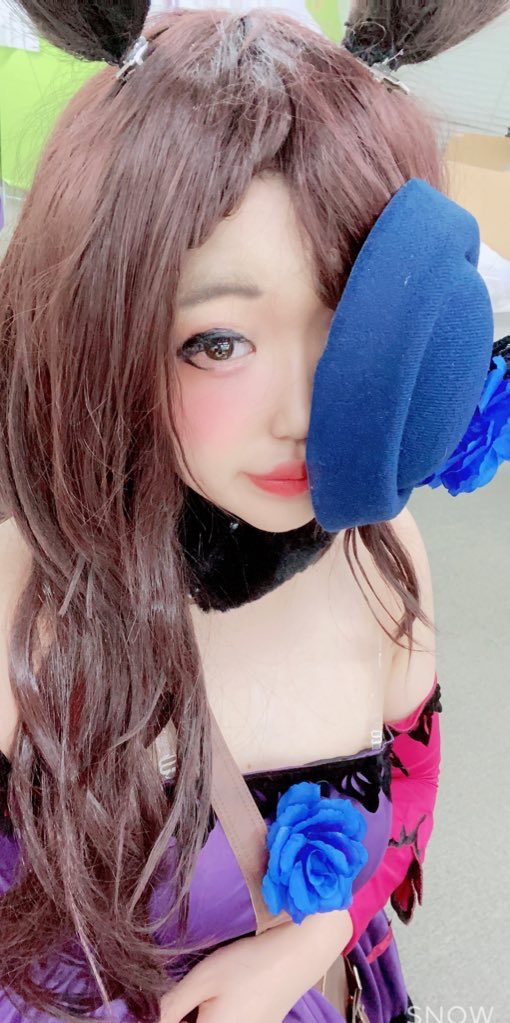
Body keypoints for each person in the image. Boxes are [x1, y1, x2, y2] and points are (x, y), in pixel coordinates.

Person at [0, 1, 507, 1021]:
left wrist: (306, 943)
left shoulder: (383, 555)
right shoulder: (24, 596)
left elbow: (407, 795)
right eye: (219, 342)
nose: (302, 416)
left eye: (349, 325)